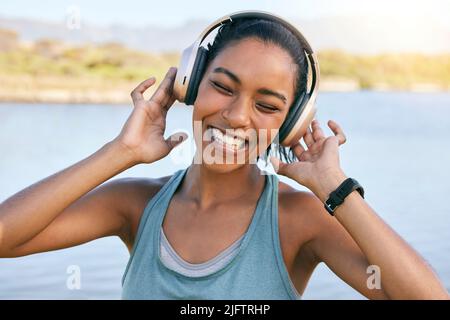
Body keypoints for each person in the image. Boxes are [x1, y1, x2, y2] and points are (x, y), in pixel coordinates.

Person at [0, 16, 448, 300]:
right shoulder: (136, 206)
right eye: (223, 86)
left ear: (289, 124)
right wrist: (122, 153)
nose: (236, 115)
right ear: (191, 86)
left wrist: (336, 189)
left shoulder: (299, 219)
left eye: (267, 106)